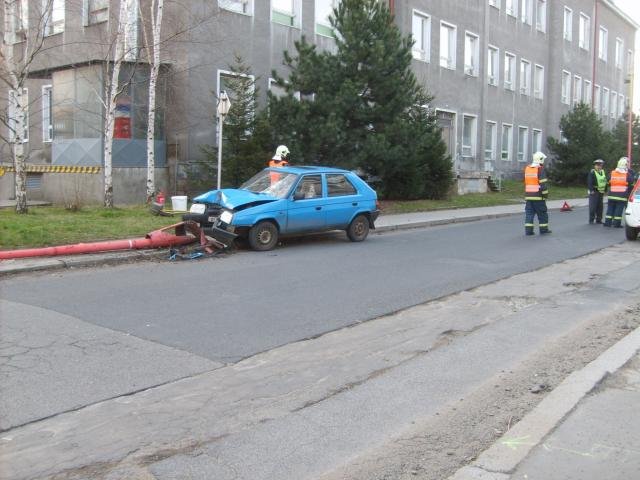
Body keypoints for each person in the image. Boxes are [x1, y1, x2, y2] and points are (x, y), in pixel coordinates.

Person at [603, 156, 635, 228]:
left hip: (611, 195)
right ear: (625, 165)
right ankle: (616, 224)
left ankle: (607, 223)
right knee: (618, 210)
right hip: (621, 196)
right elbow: (631, 182)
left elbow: (607, 182)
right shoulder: (627, 174)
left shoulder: (612, 173)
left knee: (610, 209)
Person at [524, 151, 551, 235]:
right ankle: (543, 230)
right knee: (542, 214)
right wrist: (545, 195)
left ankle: (528, 231)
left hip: (528, 196)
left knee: (529, 214)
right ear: (541, 159)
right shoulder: (540, 169)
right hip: (538, 196)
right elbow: (543, 185)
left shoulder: (527, 168)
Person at [587, 158, 607, 224]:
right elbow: (589, 182)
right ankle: (591, 220)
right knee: (593, 207)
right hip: (594, 191)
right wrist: (591, 190)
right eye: (597, 165)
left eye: (600, 165)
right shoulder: (592, 172)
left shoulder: (603, 172)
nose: (599, 166)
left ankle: (599, 220)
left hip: (601, 192)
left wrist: (605, 189)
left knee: (600, 207)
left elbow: (605, 181)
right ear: (595, 165)